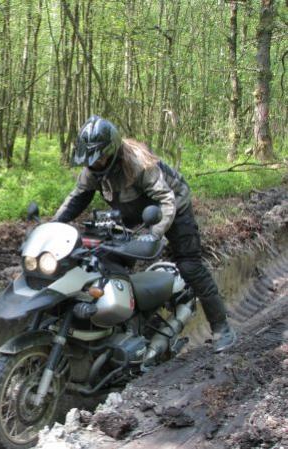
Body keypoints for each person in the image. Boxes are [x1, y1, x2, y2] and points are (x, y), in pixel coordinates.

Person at [53, 115, 236, 353]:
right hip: (132, 211)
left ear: (111, 151)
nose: (94, 164)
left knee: (190, 266)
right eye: (90, 160)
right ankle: (131, 324)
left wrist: (154, 234)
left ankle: (222, 327)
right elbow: (76, 199)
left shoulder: (139, 164)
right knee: (106, 258)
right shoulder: (91, 170)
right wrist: (54, 224)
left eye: (99, 159)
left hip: (172, 207)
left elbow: (165, 199)